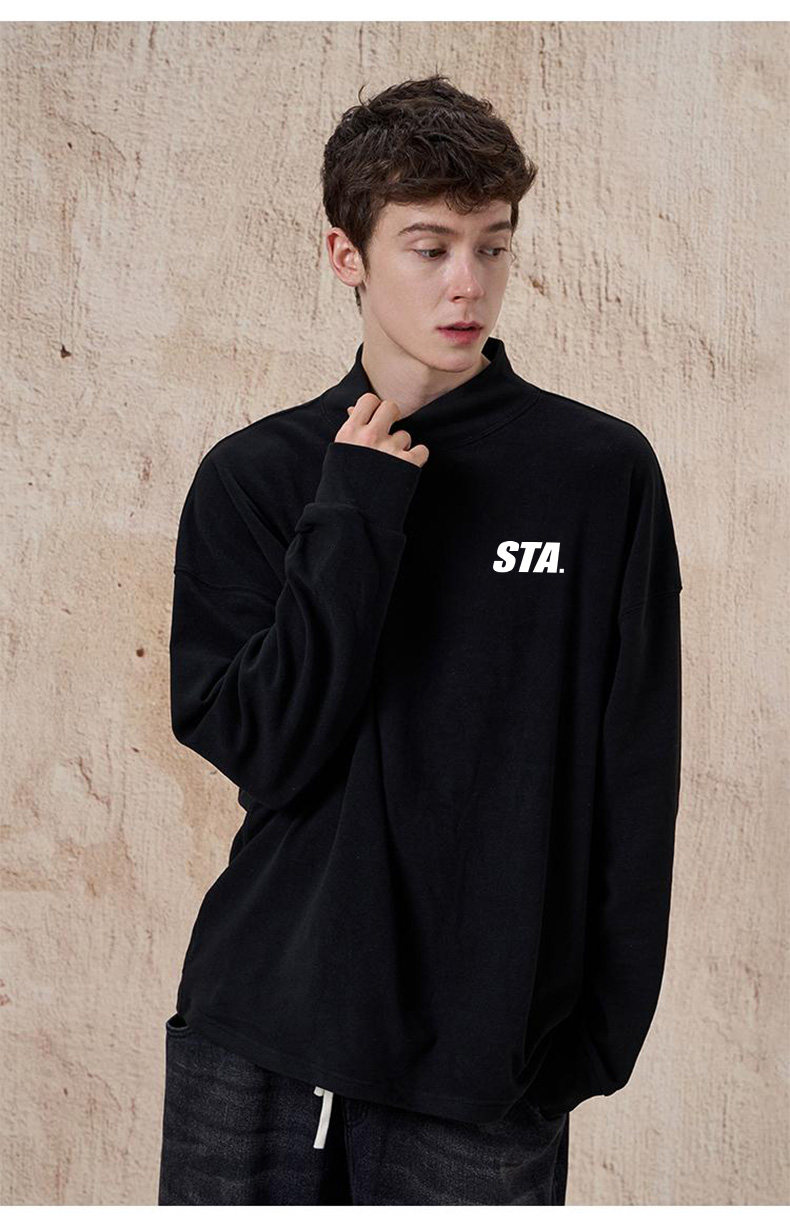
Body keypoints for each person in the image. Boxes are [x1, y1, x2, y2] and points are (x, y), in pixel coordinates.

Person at [157, 74, 683, 1206]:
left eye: (492, 247)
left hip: (485, 1061)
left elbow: (634, 764)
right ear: (345, 255)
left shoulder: (597, 474)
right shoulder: (259, 476)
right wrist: (353, 513)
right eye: (430, 247)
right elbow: (266, 745)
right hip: (260, 1030)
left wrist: (595, 1037)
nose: (466, 284)